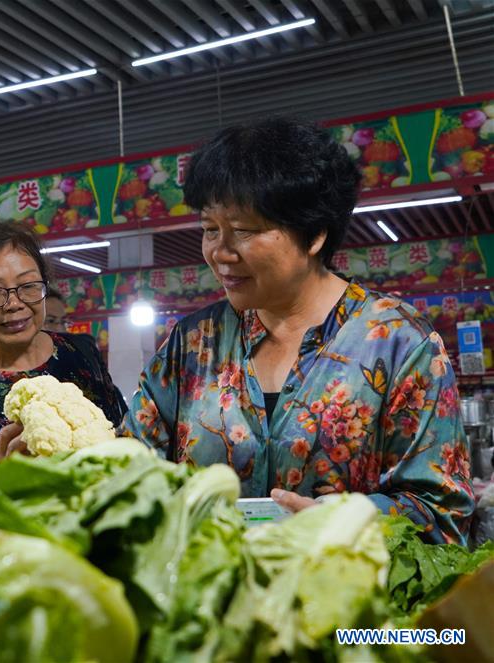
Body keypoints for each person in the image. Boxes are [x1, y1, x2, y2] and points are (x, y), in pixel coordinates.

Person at [119, 117, 474, 544]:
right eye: (210, 229)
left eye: (243, 231)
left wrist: (350, 523)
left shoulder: (400, 343)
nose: (219, 252)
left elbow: (442, 513)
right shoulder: (192, 343)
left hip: (342, 584)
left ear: (314, 234)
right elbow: (129, 468)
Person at [0, 221, 124, 462]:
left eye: (28, 286)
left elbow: (123, 434)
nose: (14, 303)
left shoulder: (82, 354)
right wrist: (9, 474)